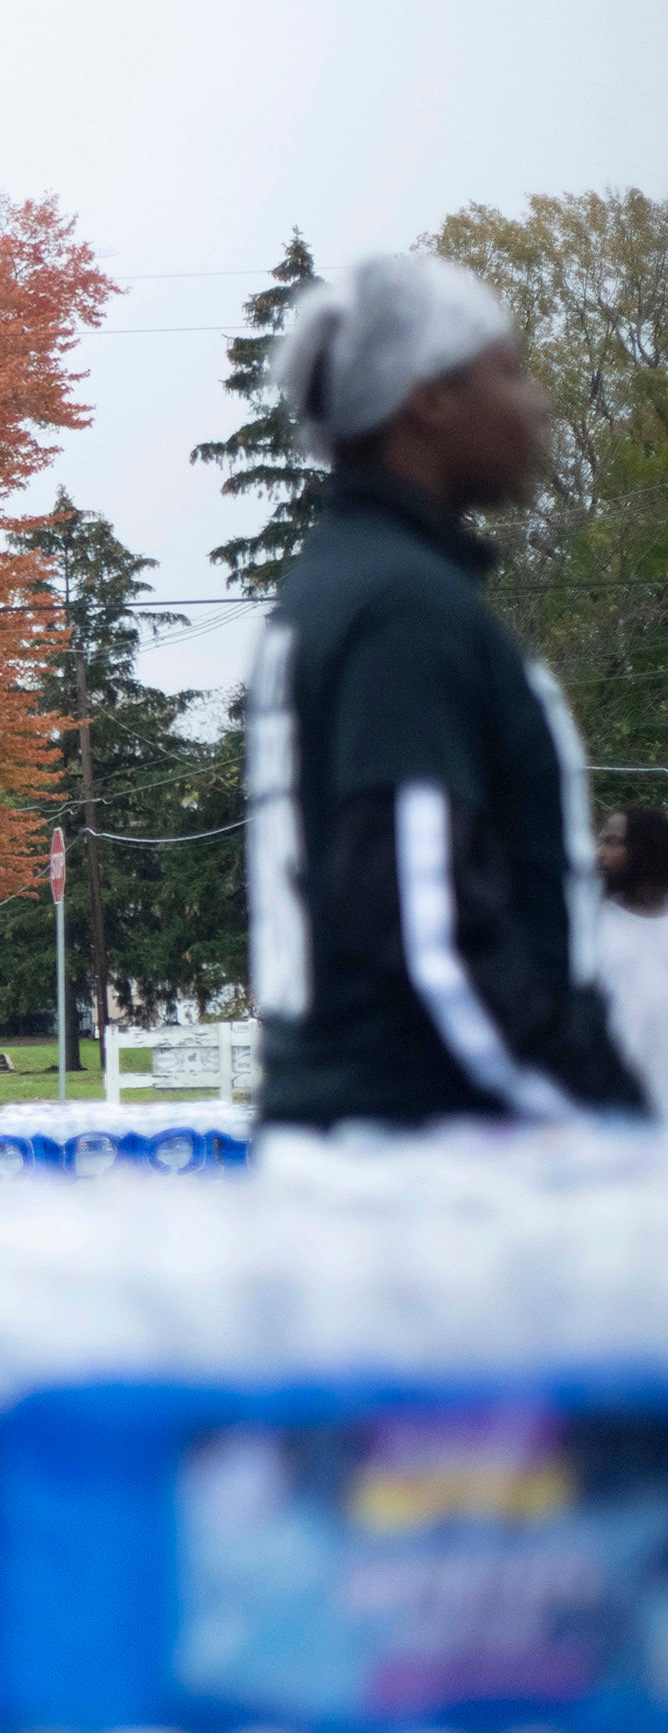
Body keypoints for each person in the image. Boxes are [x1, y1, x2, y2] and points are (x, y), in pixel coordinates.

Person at [247, 254, 644, 1127]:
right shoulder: (402, 611)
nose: (536, 403)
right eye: (510, 371)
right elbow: (429, 941)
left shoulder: (353, 583)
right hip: (432, 1168)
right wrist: (609, 1121)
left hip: (374, 1142)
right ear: (427, 398)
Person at [597, 805, 668, 1106]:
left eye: (613, 842)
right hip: (607, 1100)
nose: (599, 852)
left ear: (645, 848)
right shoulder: (587, 918)